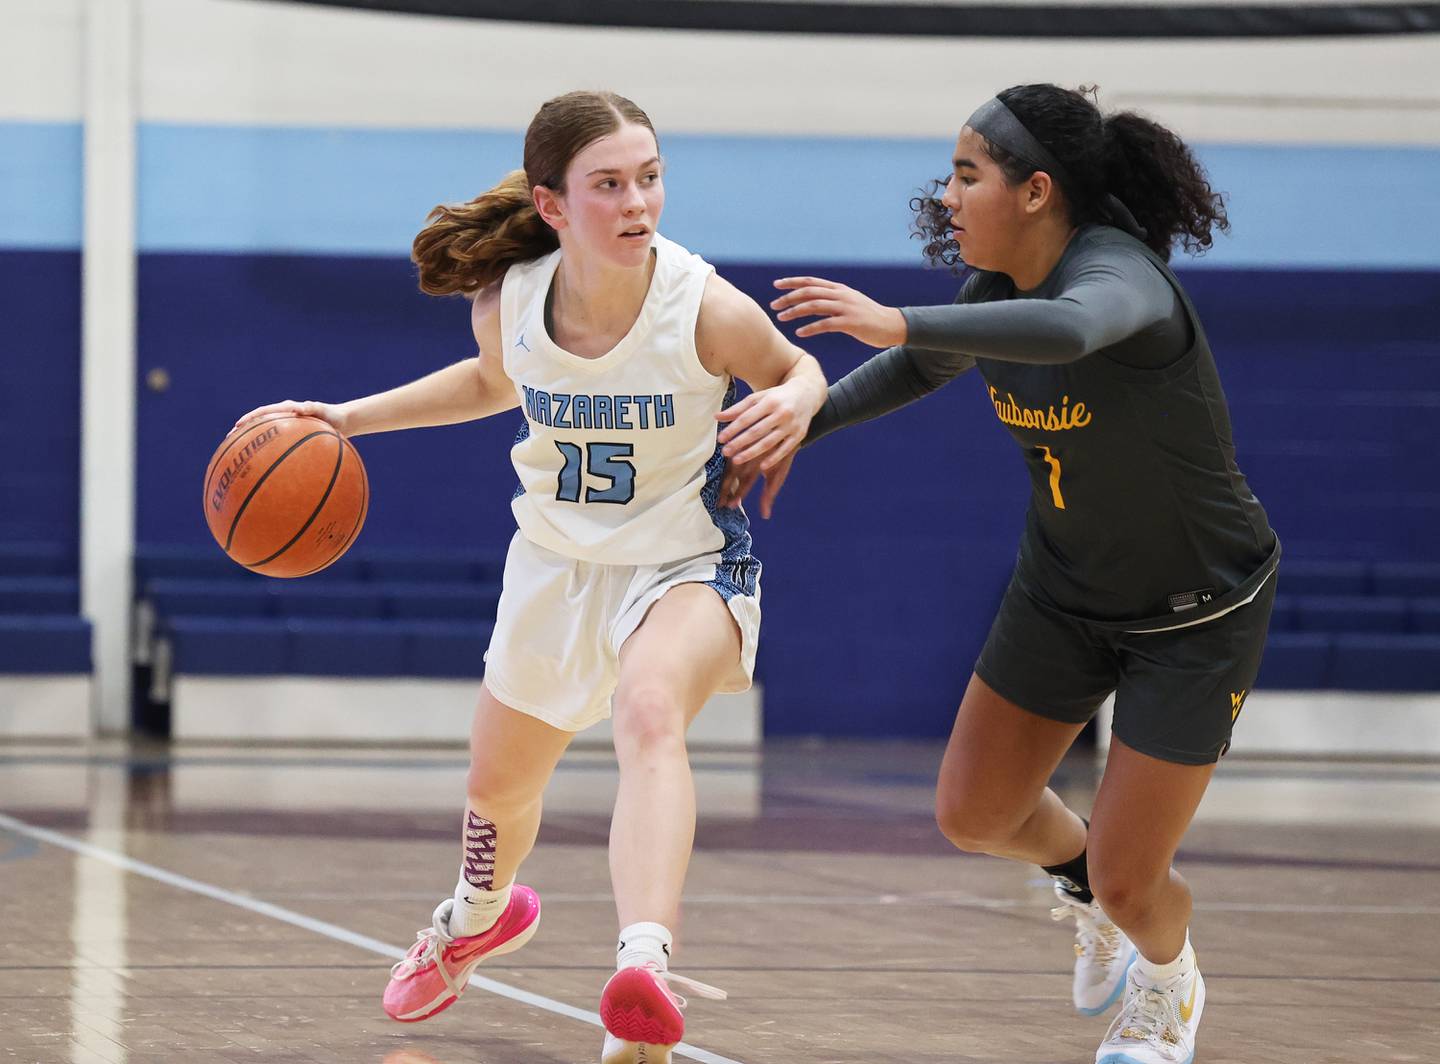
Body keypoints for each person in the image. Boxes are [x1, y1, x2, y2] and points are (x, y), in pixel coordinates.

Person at [234, 90, 825, 1064]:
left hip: (685, 562)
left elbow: (795, 367)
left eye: (650, 177)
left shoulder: (702, 306)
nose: (639, 202)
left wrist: (799, 400)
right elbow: (489, 379)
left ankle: (643, 966)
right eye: (610, 185)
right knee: (496, 788)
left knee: (647, 712)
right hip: (554, 566)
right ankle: (475, 913)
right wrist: (346, 418)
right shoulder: (510, 300)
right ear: (553, 205)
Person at [723, 83, 1279, 1064]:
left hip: (1196, 609)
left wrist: (900, 317)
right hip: (1064, 589)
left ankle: (1168, 982)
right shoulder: (993, 293)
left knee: (1134, 879)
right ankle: (1082, 888)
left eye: (966, 174)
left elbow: (1068, 331)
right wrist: (795, 424)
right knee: (973, 812)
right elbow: (918, 370)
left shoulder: (1121, 278)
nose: (946, 195)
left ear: (1036, 191)